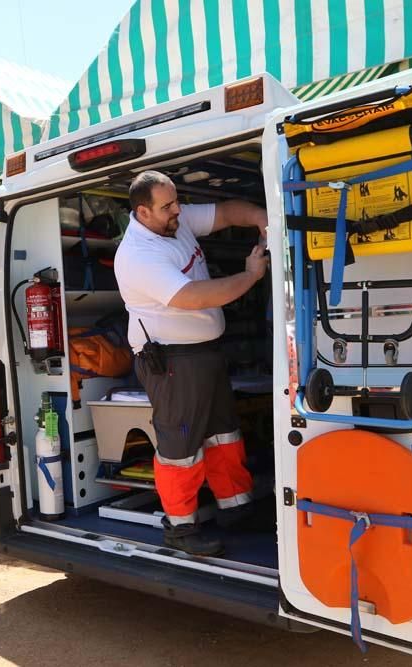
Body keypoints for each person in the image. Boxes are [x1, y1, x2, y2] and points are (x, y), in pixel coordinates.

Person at [113, 170, 269, 556]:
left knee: (223, 433)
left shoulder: (173, 223)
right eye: (168, 206)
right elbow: (193, 297)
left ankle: (236, 509)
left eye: (177, 201)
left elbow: (227, 213)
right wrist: (250, 276)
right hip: (171, 361)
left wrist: (264, 219)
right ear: (143, 212)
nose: (178, 211)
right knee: (179, 445)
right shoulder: (138, 255)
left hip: (204, 354)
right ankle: (181, 529)